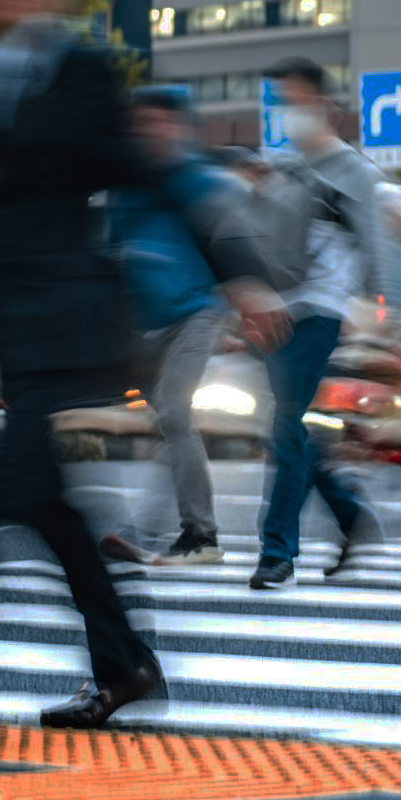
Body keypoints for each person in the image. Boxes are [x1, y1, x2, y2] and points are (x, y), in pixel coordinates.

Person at [0, 0, 286, 728]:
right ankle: (126, 664)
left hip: (67, 318)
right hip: (18, 318)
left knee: (18, 495)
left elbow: (152, 174)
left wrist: (242, 275)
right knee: (41, 503)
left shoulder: (78, 73)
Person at [246, 56, 401, 591]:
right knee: (290, 430)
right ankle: (349, 514)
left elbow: (385, 249)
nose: (288, 112)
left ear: (324, 106)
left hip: (321, 312)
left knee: (285, 426)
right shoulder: (282, 169)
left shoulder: (356, 173)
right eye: (280, 101)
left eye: (296, 100)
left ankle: (277, 552)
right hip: (275, 313)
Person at [100, 87, 263, 566]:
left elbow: (226, 240)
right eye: (139, 124)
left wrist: (250, 294)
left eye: (157, 123)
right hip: (143, 322)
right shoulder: (126, 187)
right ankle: (155, 528)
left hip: (195, 311)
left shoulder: (191, 180)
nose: (147, 133)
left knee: (173, 414)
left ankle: (201, 535)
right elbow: (116, 252)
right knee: (167, 426)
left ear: (177, 127)